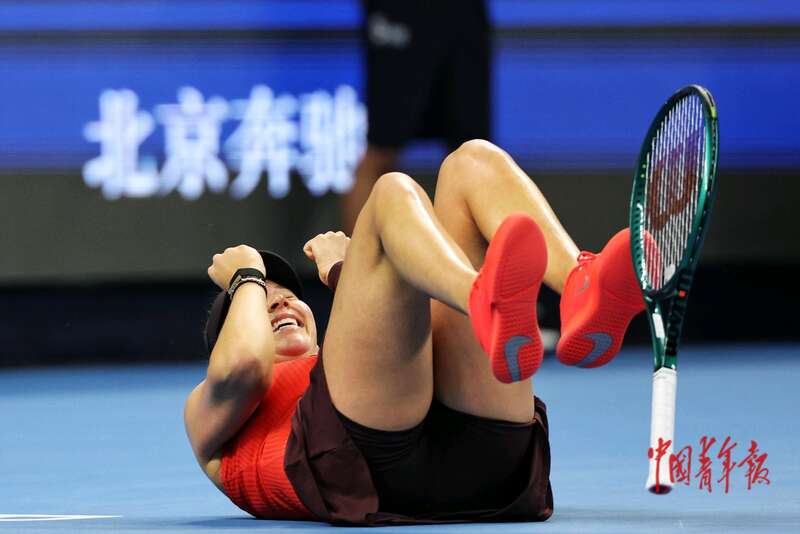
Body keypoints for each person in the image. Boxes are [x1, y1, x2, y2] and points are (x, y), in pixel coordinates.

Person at [184, 140, 645, 524]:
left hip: (487, 464)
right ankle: (482, 300)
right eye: (261, 303)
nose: (280, 302)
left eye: (287, 295)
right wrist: (246, 274)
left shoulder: (339, 370)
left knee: (472, 161)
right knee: (391, 191)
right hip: (370, 468)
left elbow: (403, 325)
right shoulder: (211, 415)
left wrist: (351, 274)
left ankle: (579, 287)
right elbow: (243, 363)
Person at [342, 0, 491, 234]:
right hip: (400, 11)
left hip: (464, 12)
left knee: (473, 153)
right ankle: (355, 256)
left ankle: (470, 258)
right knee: (381, 148)